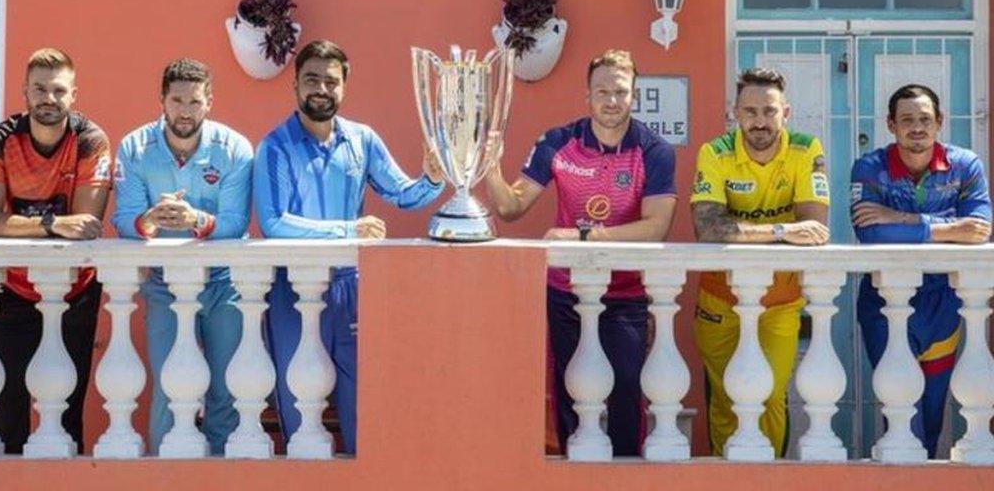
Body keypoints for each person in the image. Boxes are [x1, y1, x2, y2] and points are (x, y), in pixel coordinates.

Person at [254, 40, 445, 454]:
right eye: (311, 79)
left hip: (350, 288)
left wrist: (432, 178)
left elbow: (404, 195)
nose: (321, 88)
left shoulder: (363, 140)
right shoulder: (274, 146)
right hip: (291, 287)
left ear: (344, 87)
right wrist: (347, 230)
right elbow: (274, 223)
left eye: (331, 80)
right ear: (295, 85)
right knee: (296, 400)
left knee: (362, 400)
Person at [484, 49, 677, 456]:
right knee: (568, 386)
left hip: (625, 292)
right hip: (564, 290)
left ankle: (626, 470)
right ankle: (573, 467)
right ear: (586, 95)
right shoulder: (558, 142)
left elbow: (655, 227)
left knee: (627, 386)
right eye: (602, 91)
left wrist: (583, 237)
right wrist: (489, 168)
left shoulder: (654, 150)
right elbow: (510, 208)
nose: (611, 100)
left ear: (634, 96)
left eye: (620, 92)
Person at [0, 48, 111, 454]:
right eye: (39, 89)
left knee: (65, 416)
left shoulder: (89, 140)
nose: (49, 98)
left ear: (74, 95)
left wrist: (17, 222)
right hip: (11, 289)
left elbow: (85, 225)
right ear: (24, 92)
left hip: (75, 293)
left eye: (58, 90)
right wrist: (52, 223)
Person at [111, 58, 253, 455]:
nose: (185, 111)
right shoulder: (135, 148)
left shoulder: (235, 148)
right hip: (164, 285)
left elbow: (236, 221)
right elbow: (123, 219)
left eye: (194, 101)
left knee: (227, 390)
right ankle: (164, 475)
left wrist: (197, 220)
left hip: (225, 284)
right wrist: (150, 220)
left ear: (210, 102)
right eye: (177, 100)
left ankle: (222, 478)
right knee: (170, 390)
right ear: (162, 100)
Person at [690, 67, 830, 457]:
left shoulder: (806, 149)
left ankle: (771, 476)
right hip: (719, 299)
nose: (759, 121)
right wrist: (783, 232)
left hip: (781, 302)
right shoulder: (714, 152)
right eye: (750, 112)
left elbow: (815, 226)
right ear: (735, 113)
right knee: (724, 398)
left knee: (770, 395)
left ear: (785, 112)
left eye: (769, 111)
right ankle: (727, 477)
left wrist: (746, 230)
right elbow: (708, 228)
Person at [851, 84, 991, 458]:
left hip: (944, 305)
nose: (917, 128)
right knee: (900, 412)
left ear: (939, 122)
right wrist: (949, 227)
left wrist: (903, 219)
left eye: (925, 119)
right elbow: (871, 233)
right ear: (891, 125)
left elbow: (978, 227)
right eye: (907, 120)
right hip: (885, 305)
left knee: (931, 415)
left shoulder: (965, 165)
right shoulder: (870, 167)